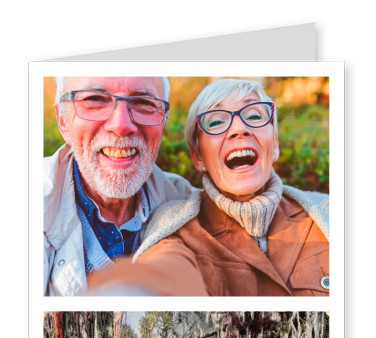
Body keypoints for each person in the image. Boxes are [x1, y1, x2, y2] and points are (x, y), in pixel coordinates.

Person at [87, 78, 329, 296]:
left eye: (254, 116)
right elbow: (165, 271)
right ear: (198, 157)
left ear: (274, 144)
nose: (239, 129)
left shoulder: (328, 213)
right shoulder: (176, 229)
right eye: (216, 121)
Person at [44, 76, 198, 296]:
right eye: (95, 99)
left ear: (163, 121)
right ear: (62, 120)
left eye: (144, 103)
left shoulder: (187, 204)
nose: (121, 125)